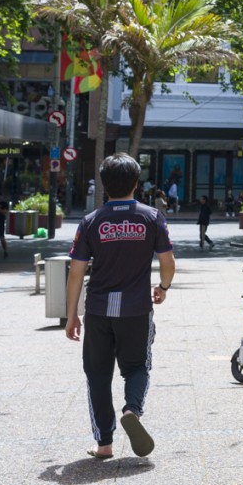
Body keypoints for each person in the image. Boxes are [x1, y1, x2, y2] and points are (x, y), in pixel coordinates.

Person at [66, 153, 176, 460]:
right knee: (138, 367)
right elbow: (168, 263)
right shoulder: (152, 217)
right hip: (137, 310)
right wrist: (163, 288)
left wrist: (72, 314)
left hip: (99, 310)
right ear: (136, 183)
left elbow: (76, 271)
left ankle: (104, 443)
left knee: (98, 375)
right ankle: (132, 409)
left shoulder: (90, 222)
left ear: (103, 185)